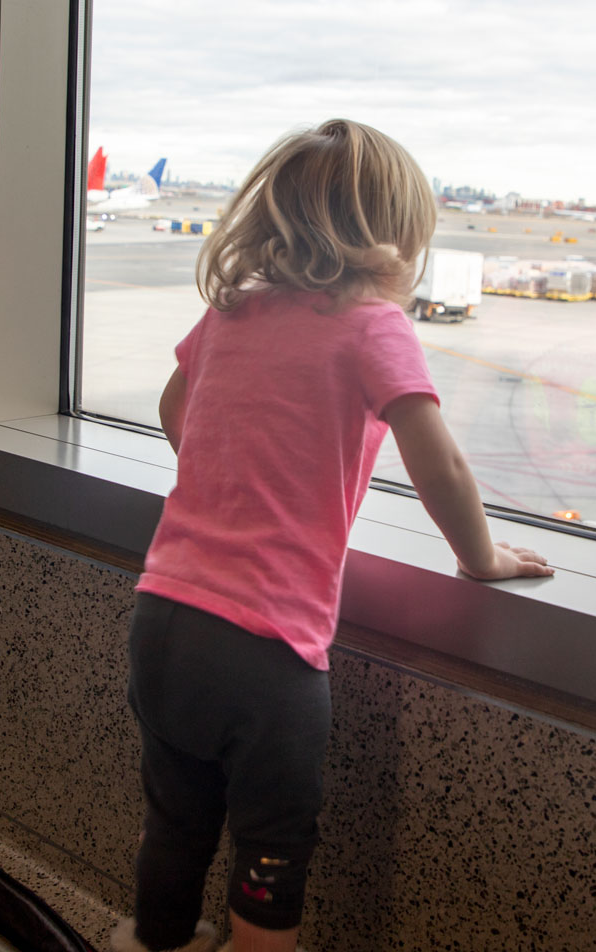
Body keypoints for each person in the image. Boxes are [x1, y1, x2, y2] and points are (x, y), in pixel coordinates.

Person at [113, 118, 553, 952]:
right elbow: (440, 462)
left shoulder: (234, 310)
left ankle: (154, 941)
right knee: (273, 846)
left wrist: (232, 481)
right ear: (394, 237)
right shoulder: (371, 324)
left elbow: (176, 410)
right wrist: (481, 558)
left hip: (162, 615)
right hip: (265, 646)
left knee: (176, 818)